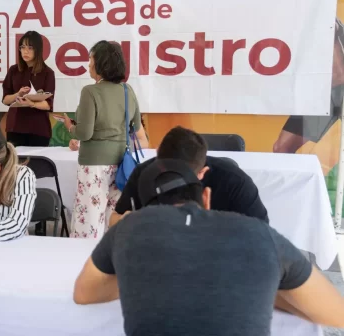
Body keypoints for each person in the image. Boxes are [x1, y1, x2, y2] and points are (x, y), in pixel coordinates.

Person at [73, 158, 344, 336]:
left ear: (146, 208)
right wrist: (259, 288)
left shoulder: (128, 231)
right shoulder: (261, 237)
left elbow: (84, 293)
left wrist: (155, 278)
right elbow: (336, 313)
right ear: (206, 196)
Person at [110, 126, 269, 227]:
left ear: (202, 173)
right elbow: (114, 219)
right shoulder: (144, 174)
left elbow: (263, 235)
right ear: (157, 156)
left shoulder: (236, 183)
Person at [63, 40, 141, 239]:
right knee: (112, 220)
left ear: (101, 63)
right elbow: (136, 126)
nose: (88, 64)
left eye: (91, 59)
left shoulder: (90, 91)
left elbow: (85, 133)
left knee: (88, 222)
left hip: (94, 164)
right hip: (121, 164)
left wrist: (71, 127)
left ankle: (84, 265)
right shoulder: (127, 90)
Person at [274, 18, 344, 153]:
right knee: (281, 148)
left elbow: (339, 76)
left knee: (282, 148)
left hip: (331, 94)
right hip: (324, 93)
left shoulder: (325, 20)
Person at [2, 31, 55, 147]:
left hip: (38, 129)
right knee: (15, 163)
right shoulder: (13, 70)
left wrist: (32, 103)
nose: (25, 51)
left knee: (37, 164)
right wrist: (18, 94)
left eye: (30, 48)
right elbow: (5, 100)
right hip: (15, 127)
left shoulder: (48, 73)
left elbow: (48, 104)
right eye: (23, 47)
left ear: (38, 50)